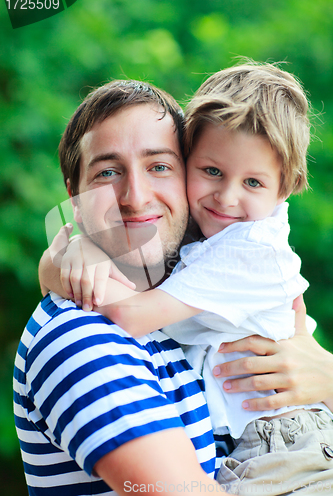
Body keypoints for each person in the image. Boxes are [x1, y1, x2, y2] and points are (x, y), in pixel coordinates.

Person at [15, 79, 333, 496]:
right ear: (74, 197)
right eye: (108, 173)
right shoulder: (81, 339)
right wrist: (59, 265)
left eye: (159, 166)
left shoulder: (205, 268)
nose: (136, 196)